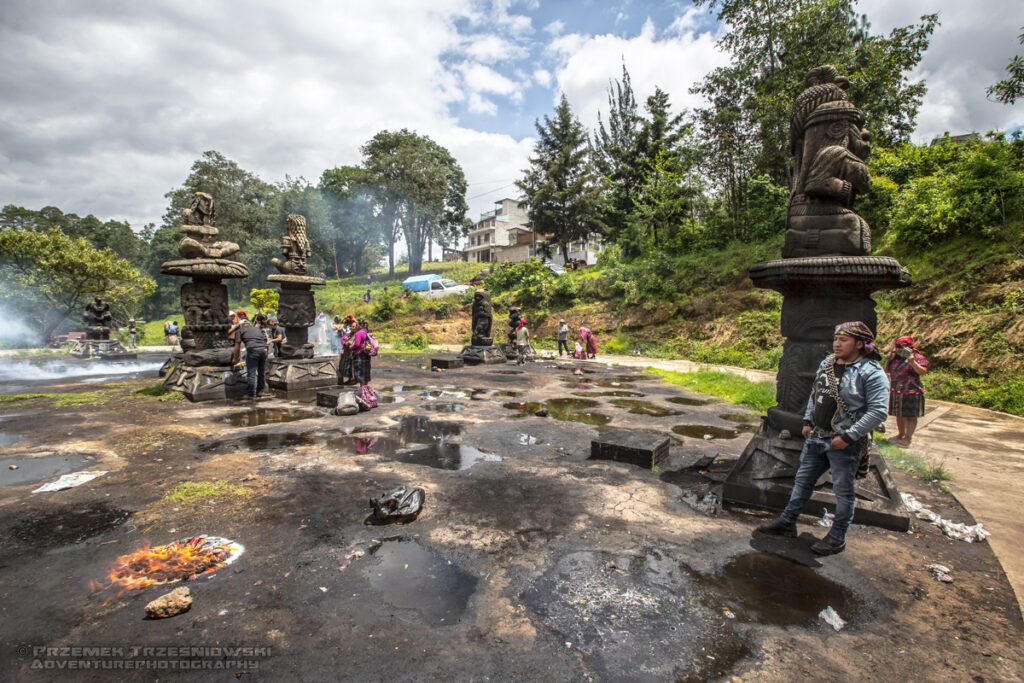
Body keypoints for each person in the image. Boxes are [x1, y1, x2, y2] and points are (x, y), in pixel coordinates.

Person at [758, 321, 890, 556]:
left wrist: (849, 436)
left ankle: (837, 536)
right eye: (836, 339)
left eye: (844, 340)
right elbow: (815, 393)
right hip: (818, 436)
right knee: (802, 481)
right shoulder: (827, 363)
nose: (837, 344)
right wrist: (808, 420)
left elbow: (878, 411)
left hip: (843, 441)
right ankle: (787, 521)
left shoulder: (871, 372)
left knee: (844, 491)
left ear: (860, 344)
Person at [886, 336, 928, 448]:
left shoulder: (917, 356)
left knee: (911, 416)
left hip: (911, 391)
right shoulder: (895, 357)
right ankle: (900, 435)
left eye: (902, 347)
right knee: (899, 414)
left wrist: (912, 361)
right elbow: (886, 371)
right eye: (898, 347)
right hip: (897, 390)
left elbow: (923, 371)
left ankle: (908, 438)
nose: (900, 350)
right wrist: (888, 360)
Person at [231, 313, 269, 400]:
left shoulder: (239, 331)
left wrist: (235, 358)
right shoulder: (256, 329)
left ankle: (251, 394)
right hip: (263, 350)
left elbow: (237, 347)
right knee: (261, 372)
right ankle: (260, 391)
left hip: (253, 350)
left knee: (251, 373)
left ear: (240, 325)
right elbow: (264, 339)